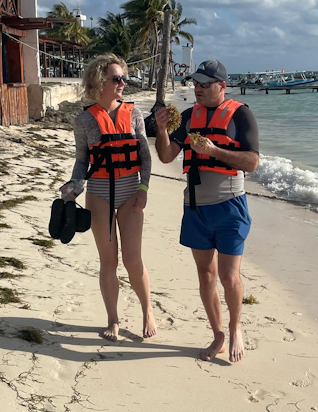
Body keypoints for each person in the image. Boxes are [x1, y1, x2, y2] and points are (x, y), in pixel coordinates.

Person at [154, 59, 260, 362]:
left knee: (229, 277)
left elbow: (252, 162)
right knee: (205, 275)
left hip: (229, 206)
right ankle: (218, 336)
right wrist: (161, 129)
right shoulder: (188, 116)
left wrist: (214, 151)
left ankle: (236, 326)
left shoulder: (241, 115)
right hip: (196, 208)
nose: (198, 89)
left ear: (222, 86)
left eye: (205, 84)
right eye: (196, 84)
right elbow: (165, 156)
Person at [62, 53, 156, 342]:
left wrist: (144, 188)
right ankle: (113, 320)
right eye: (117, 78)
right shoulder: (84, 121)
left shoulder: (134, 113)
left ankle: (148, 310)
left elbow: (144, 155)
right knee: (108, 261)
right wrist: (73, 187)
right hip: (99, 194)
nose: (122, 83)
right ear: (99, 82)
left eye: (123, 78)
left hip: (130, 193)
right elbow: (82, 161)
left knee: (132, 260)